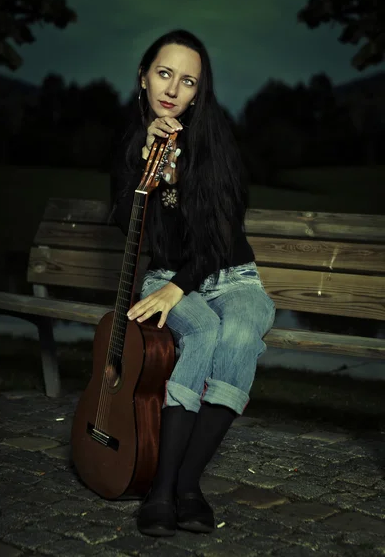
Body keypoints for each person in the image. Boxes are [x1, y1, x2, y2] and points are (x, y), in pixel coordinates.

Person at [112, 29, 276, 537]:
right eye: (164, 74)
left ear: (199, 91)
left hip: (228, 275)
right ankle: (165, 491)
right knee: (202, 333)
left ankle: (185, 483)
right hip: (165, 275)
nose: (173, 89)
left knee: (242, 332)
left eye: (188, 81)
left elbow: (221, 236)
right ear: (143, 76)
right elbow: (123, 222)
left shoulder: (214, 135)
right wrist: (145, 171)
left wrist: (180, 287)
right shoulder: (133, 138)